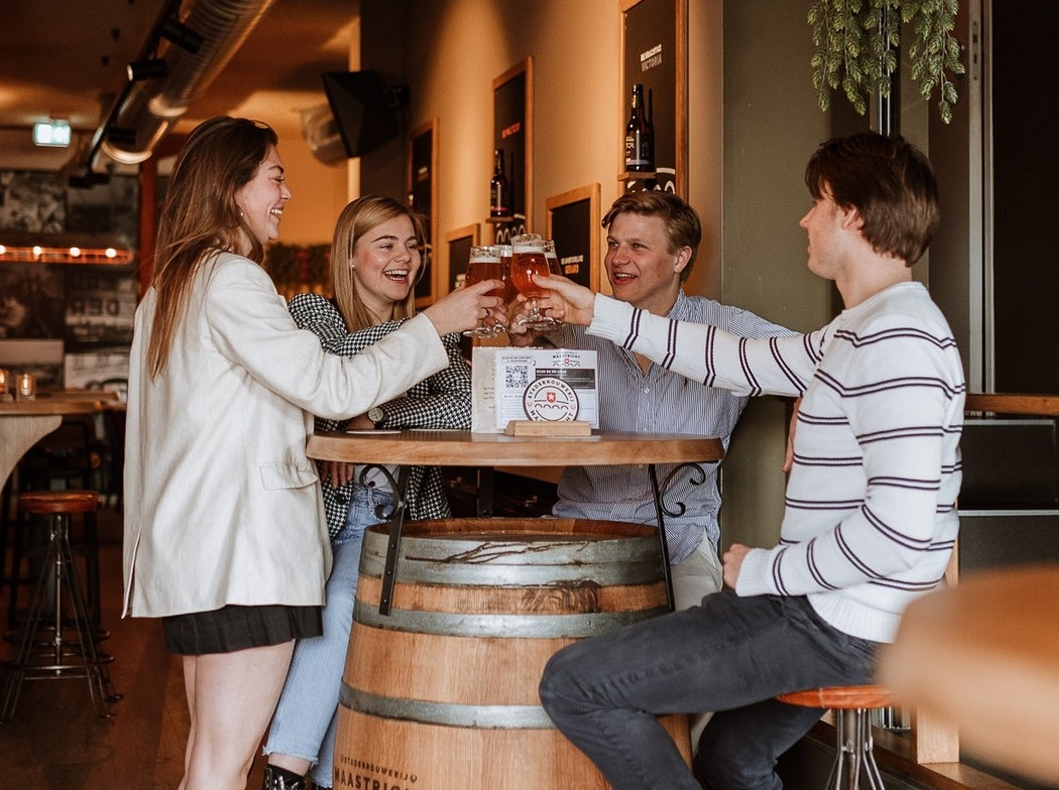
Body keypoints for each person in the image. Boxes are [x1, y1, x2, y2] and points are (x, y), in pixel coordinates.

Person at [534, 131, 966, 790]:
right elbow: (736, 359)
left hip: (839, 624)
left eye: (816, 203)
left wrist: (768, 567)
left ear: (852, 214)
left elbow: (899, 531)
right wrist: (596, 311)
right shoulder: (857, 331)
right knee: (731, 758)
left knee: (574, 683)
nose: (804, 220)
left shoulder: (898, 343)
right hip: (818, 609)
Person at [122, 117, 503, 790]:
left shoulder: (172, 286)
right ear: (232, 187)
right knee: (221, 766)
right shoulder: (233, 281)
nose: (286, 194)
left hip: (198, 553)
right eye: (275, 176)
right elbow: (330, 386)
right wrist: (436, 323)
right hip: (246, 557)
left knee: (207, 762)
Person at [261, 195, 472, 790]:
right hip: (327, 524)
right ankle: (292, 771)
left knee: (349, 604)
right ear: (349, 258)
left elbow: (467, 405)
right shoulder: (313, 317)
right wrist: (416, 349)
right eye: (387, 244)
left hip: (408, 524)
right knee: (343, 604)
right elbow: (326, 373)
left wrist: (370, 412)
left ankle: (289, 773)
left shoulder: (440, 336)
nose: (405, 258)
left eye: (413, 246)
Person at [511, 190, 795, 611]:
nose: (617, 259)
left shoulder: (725, 327)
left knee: (691, 642)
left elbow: (820, 361)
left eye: (637, 246)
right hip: (582, 529)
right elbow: (520, 415)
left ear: (680, 259)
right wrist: (520, 346)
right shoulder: (570, 325)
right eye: (613, 244)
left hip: (678, 539)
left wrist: (806, 401)